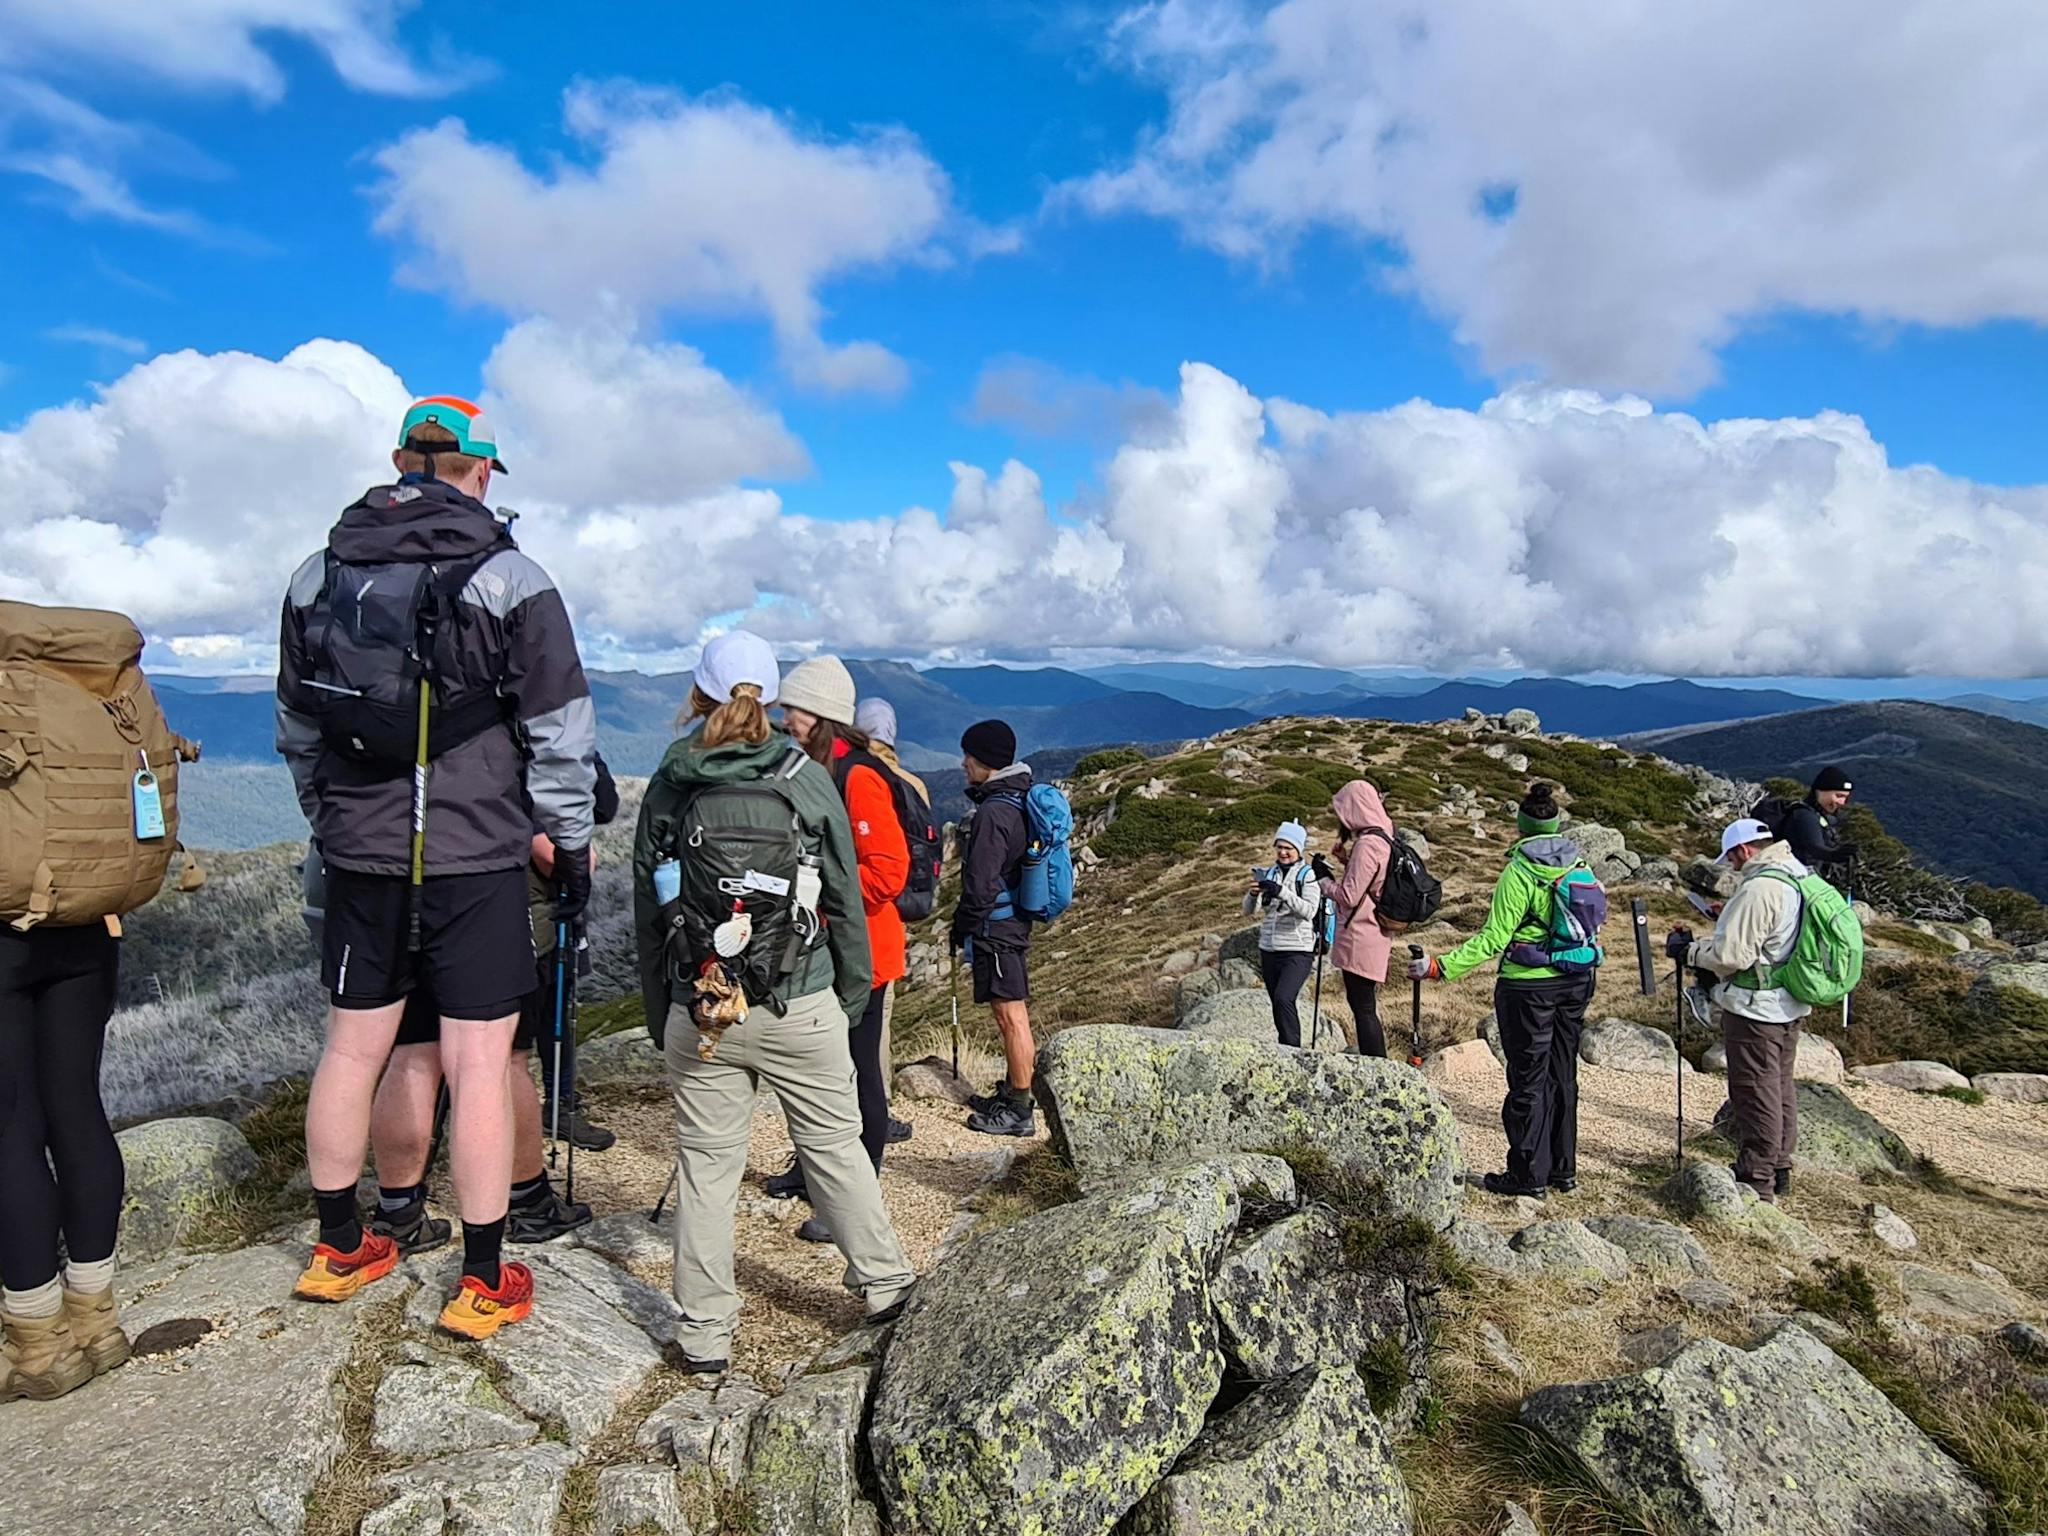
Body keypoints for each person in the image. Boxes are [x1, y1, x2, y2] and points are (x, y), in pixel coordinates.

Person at [276, 396, 597, 1339]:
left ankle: (344, 1246)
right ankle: (484, 1275)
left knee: (352, 1049)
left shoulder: (316, 576)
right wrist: (567, 843)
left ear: (397, 460)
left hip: (360, 860)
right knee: (481, 1061)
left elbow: (299, 729)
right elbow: (560, 736)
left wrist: (332, 821)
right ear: (481, 470)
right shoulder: (513, 578)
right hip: (476, 859)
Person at [633, 632, 916, 1372]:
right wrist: (848, 995)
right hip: (803, 996)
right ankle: (886, 1288)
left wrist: (663, 1007)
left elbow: (647, 907)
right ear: (773, 701)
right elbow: (847, 902)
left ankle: (703, 1335)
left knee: (707, 1167)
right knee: (835, 1147)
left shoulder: (672, 781)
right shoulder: (805, 776)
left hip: (704, 1008)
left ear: (698, 696)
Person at [362, 755, 623, 1251]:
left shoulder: (394, 712)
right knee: (504, 1059)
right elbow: (572, 833)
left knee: (414, 1052)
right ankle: (526, 1202)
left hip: (392, 891)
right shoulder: (510, 723)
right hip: (490, 904)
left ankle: (398, 1211)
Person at [774, 657, 910, 1245]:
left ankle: (857, 1198)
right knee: (822, 1071)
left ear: (821, 715)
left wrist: (819, 890)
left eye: (793, 710)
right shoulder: (823, 768)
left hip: (863, 955)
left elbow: (889, 871)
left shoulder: (859, 777)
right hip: (828, 948)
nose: (783, 719)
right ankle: (815, 1172)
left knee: (857, 1074)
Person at [1407, 783, 1593, 1198]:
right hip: (1577, 979)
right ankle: (1564, 1169)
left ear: (1522, 826)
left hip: (1528, 989)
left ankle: (1527, 1175)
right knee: (1563, 1073)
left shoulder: (1519, 872)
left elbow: (1494, 938)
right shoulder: (1579, 864)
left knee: (1528, 1078)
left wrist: (1440, 967)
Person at [0, 921, 126, 1402]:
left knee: (11, 1132)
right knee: (78, 1109)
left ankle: (39, 1346)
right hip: (86, 921)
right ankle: (96, 1323)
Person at [1671, 818, 1812, 1202]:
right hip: (1789, 1000)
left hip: (1757, 1009)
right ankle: (1779, 1167)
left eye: (1733, 859)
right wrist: (1728, 916)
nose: (1733, 867)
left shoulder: (1760, 887)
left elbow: (1731, 955)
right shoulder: (1795, 875)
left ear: (1744, 850)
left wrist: (1689, 951)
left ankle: (1756, 1179)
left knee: (1754, 1091)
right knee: (1780, 1086)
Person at [950, 719, 1038, 1137]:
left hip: (997, 928)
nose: (964, 762)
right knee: (1008, 1014)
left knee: (1011, 1015)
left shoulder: (993, 812)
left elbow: (980, 885)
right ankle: (1011, 1094)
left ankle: (1020, 1109)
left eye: (969, 755)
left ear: (984, 759)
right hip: (1009, 923)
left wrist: (961, 926)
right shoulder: (1014, 800)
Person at [854, 696, 922, 1147]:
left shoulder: (857, 777)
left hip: (861, 918)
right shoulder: (912, 783)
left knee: (858, 1033)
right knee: (880, 1020)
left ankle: (870, 1116)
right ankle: (881, 1107)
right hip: (898, 918)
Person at [1314, 782, 1396, 1056]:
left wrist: (1322, 878)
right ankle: (1376, 1062)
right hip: (1374, 933)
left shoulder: (1367, 844)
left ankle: (1377, 1065)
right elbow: (1371, 881)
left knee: (1362, 1007)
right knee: (1365, 1004)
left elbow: (1348, 896)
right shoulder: (1384, 835)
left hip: (1362, 934)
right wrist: (1347, 861)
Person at [1243, 822, 1322, 1047]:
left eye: (1288, 847)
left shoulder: (1308, 875)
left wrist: (1282, 892)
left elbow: (1309, 910)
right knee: (1277, 1003)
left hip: (1298, 951)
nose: (1283, 852)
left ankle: (1293, 1051)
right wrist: (1253, 893)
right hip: (1269, 948)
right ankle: (1284, 1047)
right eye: (1279, 847)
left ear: (1299, 849)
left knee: (1284, 998)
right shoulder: (1270, 873)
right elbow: (1249, 911)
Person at [1784, 766, 1856, 876]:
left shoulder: (1821, 817)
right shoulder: (1804, 816)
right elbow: (1815, 848)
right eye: (1839, 796)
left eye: (1846, 797)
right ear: (1820, 791)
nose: (1842, 802)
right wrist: (1835, 855)